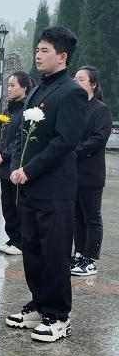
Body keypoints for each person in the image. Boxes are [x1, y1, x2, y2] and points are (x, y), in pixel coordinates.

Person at [6, 26, 87, 343]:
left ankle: (60, 316)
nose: (38, 55)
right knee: (33, 251)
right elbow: (23, 138)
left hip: (54, 189)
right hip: (28, 187)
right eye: (37, 50)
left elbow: (66, 141)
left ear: (62, 56)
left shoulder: (72, 92)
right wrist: (16, 167)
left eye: (44, 51)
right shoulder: (38, 91)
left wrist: (30, 169)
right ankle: (40, 304)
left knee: (54, 254)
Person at [70, 65, 112, 276]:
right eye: (75, 79)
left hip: (90, 173)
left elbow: (97, 140)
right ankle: (79, 255)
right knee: (77, 217)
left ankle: (91, 259)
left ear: (93, 84)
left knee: (92, 216)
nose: (76, 82)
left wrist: (71, 151)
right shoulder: (75, 107)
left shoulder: (101, 110)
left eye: (81, 79)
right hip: (73, 171)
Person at [0, 71, 33, 256]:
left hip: (15, 165)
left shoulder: (27, 111)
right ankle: (13, 237)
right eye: (8, 85)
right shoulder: (7, 111)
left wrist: (5, 155)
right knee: (7, 205)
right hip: (2, 166)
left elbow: (21, 139)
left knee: (18, 204)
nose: (9, 88)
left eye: (13, 85)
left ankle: (21, 240)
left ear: (24, 87)